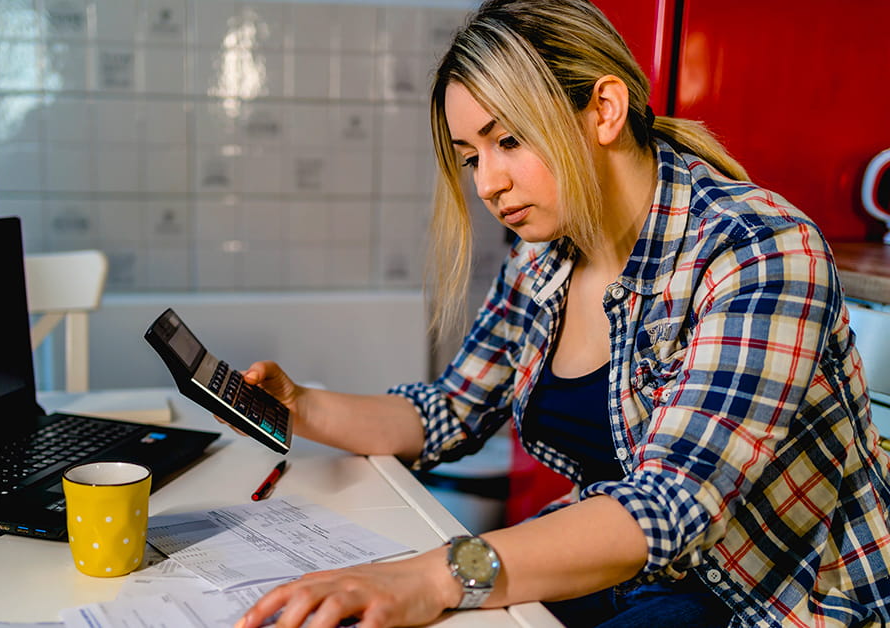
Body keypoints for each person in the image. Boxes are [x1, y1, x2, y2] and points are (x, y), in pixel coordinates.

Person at [234, 1, 890, 626]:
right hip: (625, 573)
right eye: (471, 158)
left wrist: (432, 577)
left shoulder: (758, 249)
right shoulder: (545, 253)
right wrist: (299, 406)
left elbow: (673, 503)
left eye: (509, 140)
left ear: (603, 108)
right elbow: (452, 411)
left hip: (764, 597)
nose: (488, 182)